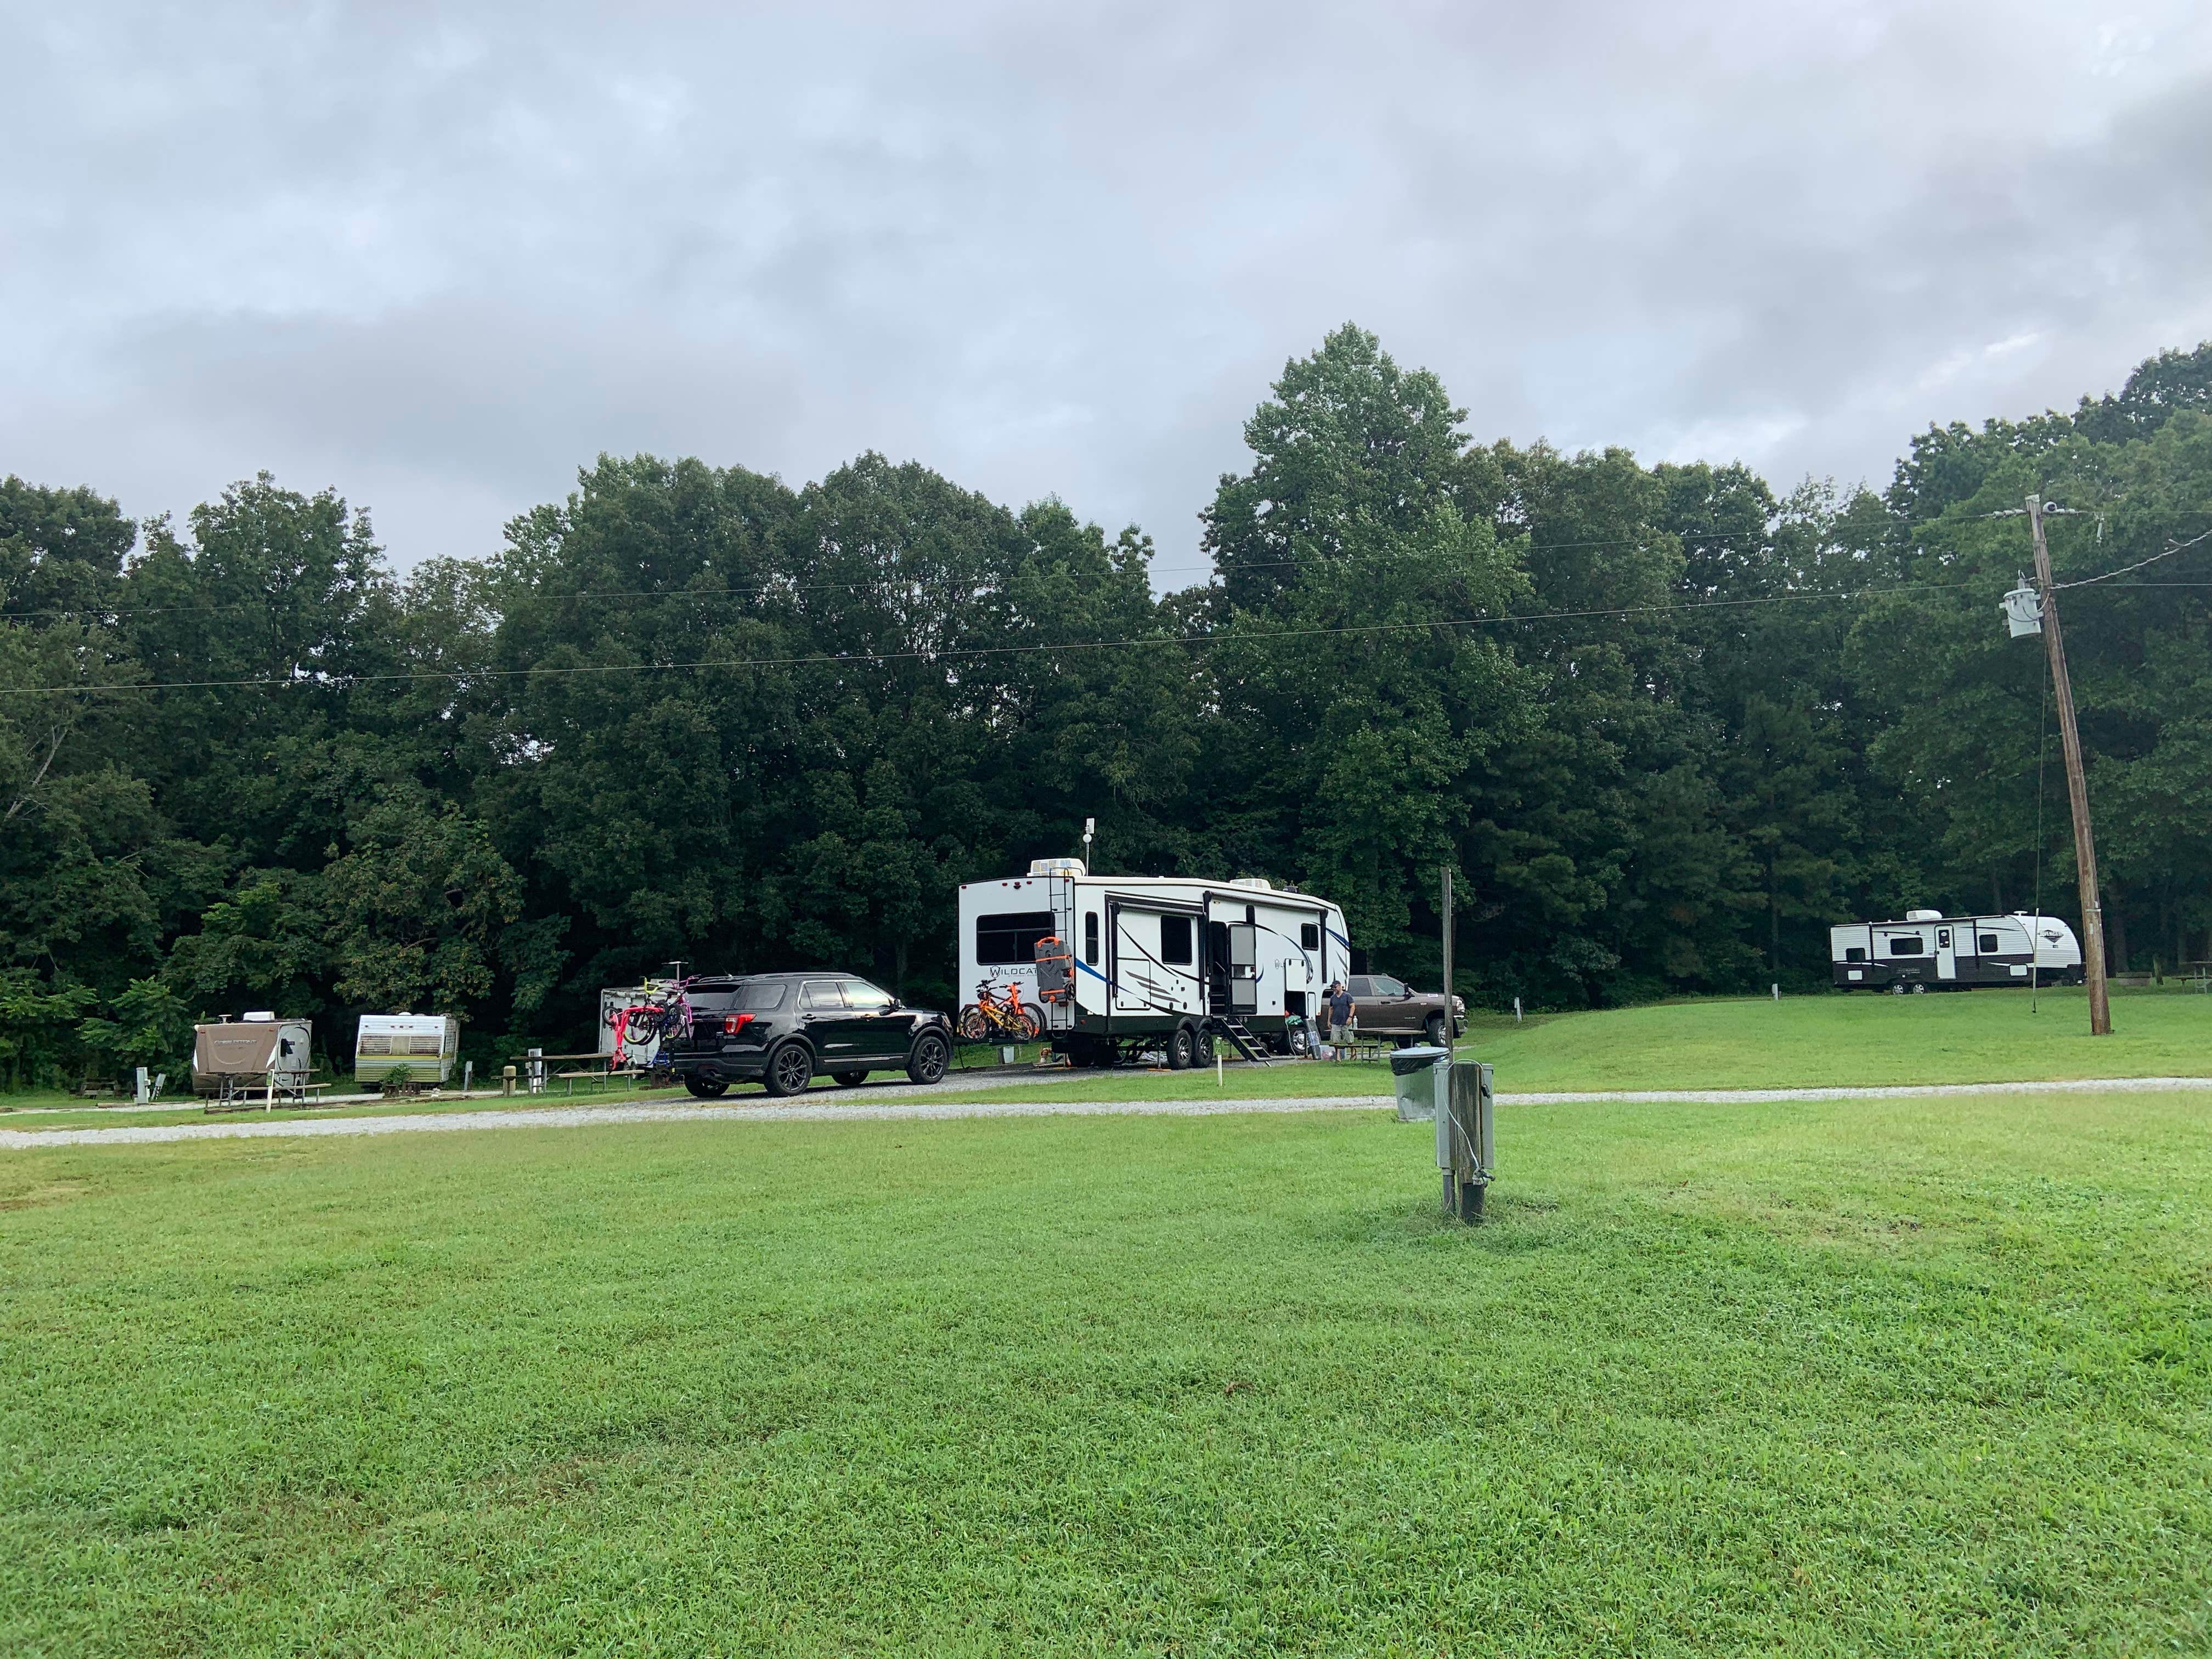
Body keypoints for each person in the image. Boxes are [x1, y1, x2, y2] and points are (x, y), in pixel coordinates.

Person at [1326, 980, 1355, 1058]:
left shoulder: (1347, 996)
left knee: (1349, 1040)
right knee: (1336, 1040)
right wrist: (1329, 1020)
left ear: (1340, 986)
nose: (1334, 989)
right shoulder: (1333, 998)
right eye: (1333, 988)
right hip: (1335, 1022)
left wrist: (1350, 1017)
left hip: (1346, 1021)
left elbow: (1353, 1006)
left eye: (1335, 987)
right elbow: (1331, 1009)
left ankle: (1353, 1052)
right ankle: (1338, 1056)